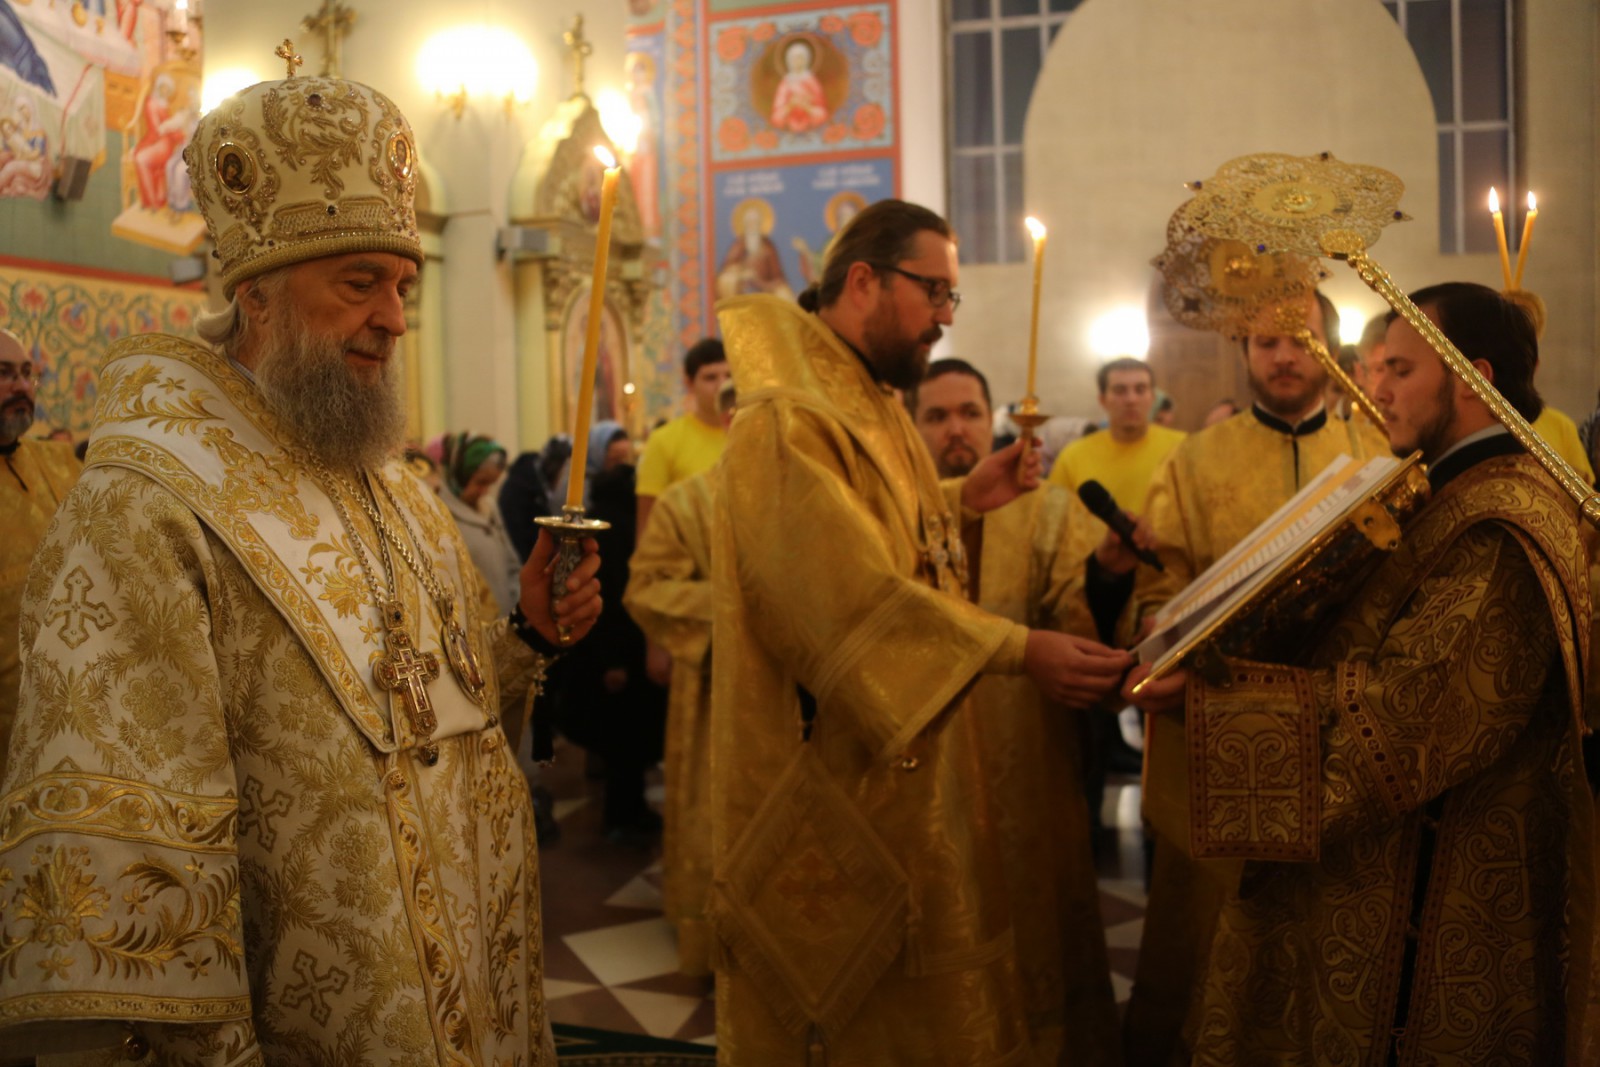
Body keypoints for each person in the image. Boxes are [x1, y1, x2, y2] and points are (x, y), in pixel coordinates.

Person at [0, 67, 602, 1064]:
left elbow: (428, 726)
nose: (394, 318)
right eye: (358, 282)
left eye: (403, 285)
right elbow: (127, 881)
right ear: (260, 296)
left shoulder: (396, 488)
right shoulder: (145, 506)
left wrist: (525, 631)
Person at [708, 198, 1133, 1065]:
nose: (945, 315)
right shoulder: (792, 417)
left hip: (898, 785)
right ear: (862, 280)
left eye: (953, 298)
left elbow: (879, 529)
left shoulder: (867, 401)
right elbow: (847, 596)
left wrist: (958, 500)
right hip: (833, 796)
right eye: (934, 290)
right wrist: (1021, 648)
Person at [1129, 281, 1596, 1064]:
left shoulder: (1500, 527)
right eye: (1375, 365)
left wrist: (1218, 701)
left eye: (1400, 369)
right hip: (1396, 879)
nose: (1374, 388)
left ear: (1473, 376)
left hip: (1442, 912)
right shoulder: (1452, 492)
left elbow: (1400, 725)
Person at [1122, 289, 1390, 1067]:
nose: (1283, 356)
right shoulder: (1194, 458)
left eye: (1301, 339)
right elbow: (1158, 582)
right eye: (1266, 342)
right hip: (1220, 740)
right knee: (1209, 937)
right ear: (1244, 352)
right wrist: (1150, 624)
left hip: (1344, 738)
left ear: (1330, 350)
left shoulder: (1378, 454)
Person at [908, 357, 1132, 1066]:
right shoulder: (893, 519)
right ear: (913, 428)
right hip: (920, 778)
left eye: (969, 412)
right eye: (936, 416)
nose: (955, 430)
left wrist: (1106, 573)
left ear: (994, 418)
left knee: (1036, 924)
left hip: (1027, 771)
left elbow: (1076, 610)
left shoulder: (1049, 508)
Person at [623, 379, 736, 975]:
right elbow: (646, 588)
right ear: (730, 420)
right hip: (719, 697)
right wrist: (738, 609)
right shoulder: (688, 503)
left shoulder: (824, 502)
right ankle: (711, 948)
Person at [0, 328, 81, 777]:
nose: (23, 387)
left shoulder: (60, 462)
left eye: (28, 375)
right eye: (4, 373)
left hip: (79, 719)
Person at [635, 337, 732, 534]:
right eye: (710, 377)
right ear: (689, 383)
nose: (722, 385)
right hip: (686, 557)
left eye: (729, 375)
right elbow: (648, 523)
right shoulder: (664, 440)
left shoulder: (753, 437)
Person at [437, 432, 522, 616]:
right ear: (460, 475)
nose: (485, 491)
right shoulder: (439, 514)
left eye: (490, 484)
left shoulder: (488, 507)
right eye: (480, 482)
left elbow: (512, 564)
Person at [769, 37, 829, 133]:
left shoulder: (812, 81)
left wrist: (807, 107)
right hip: (790, 125)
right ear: (788, 60)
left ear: (806, 60)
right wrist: (790, 105)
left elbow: (823, 113)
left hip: (811, 125)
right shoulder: (785, 83)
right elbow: (776, 116)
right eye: (793, 58)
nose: (796, 61)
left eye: (800, 58)